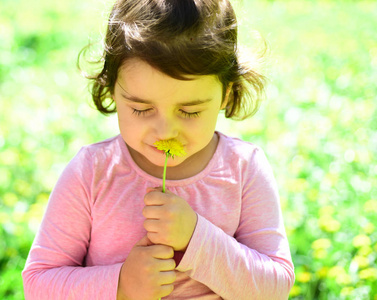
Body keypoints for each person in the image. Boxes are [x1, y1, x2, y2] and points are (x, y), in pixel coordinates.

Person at [22, 0, 295, 299]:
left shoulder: (243, 170)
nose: (165, 132)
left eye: (189, 111)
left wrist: (196, 239)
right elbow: (38, 284)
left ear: (225, 94)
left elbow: (275, 289)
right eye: (141, 108)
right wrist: (121, 284)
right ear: (112, 89)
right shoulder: (92, 173)